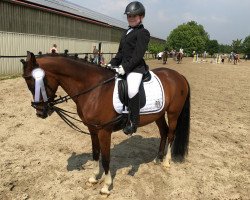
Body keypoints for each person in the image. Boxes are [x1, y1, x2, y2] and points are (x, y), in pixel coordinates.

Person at [108, 1, 150, 135]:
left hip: (136, 68)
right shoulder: (125, 32)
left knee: (132, 89)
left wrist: (125, 68)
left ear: (141, 16)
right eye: (129, 16)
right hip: (123, 66)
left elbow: (138, 55)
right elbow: (120, 53)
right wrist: (112, 63)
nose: (131, 18)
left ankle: (133, 122)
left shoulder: (143, 33)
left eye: (134, 16)